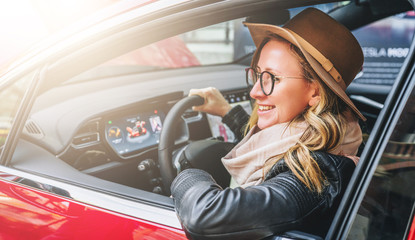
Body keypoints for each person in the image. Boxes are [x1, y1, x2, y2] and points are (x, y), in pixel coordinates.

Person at [170, 8, 364, 239]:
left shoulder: (316, 175)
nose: (255, 92)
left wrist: (186, 171)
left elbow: (204, 215)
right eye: (258, 74)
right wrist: (227, 112)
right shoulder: (325, 134)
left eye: (273, 78)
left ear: (315, 92)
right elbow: (269, 144)